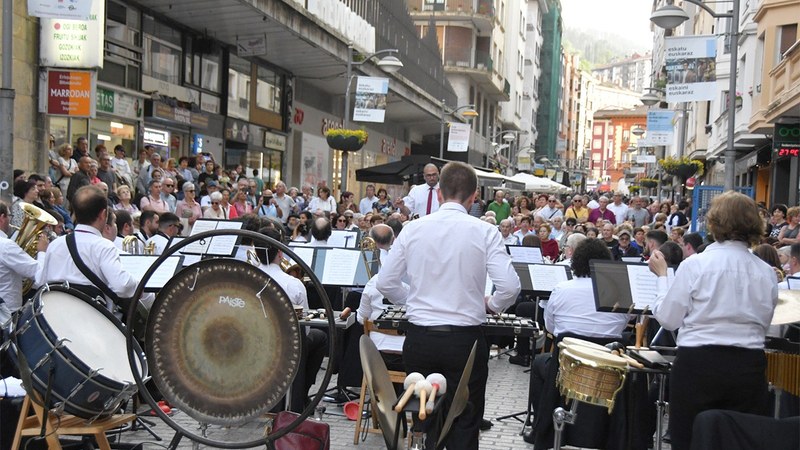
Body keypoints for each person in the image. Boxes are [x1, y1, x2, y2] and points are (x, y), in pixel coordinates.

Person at [377, 161, 521, 449]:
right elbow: (510, 287)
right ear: (474, 196)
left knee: (423, 414)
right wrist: (491, 304)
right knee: (465, 419)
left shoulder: (413, 229)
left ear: (439, 193)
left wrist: (414, 298)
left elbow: (385, 283)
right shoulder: (485, 232)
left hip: (421, 337)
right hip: (464, 341)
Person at [648, 191, 778, 450]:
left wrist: (662, 277)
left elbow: (668, 319)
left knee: (690, 439)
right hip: (747, 365)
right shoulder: (766, 272)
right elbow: (765, 321)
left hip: (699, 363)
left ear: (715, 222)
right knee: (740, 440)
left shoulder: (696, 264)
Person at [37, 186, 139, 311]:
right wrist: (138, 281)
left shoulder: (55, 244)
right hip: (92, 321)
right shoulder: (104, 247)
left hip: (55, 317)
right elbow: (123, 287)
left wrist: (41, 253)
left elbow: (40, 281)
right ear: (103, 214)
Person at [357, 224, 407, 369]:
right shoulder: (417, 284)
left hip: (376, 351)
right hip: (408, 349)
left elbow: (362, 319)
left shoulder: (373, 283)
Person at [0, 201, 48, 311]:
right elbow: (40, 276)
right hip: (6, 313)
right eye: (9, 216)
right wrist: (42, 252)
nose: (10, 220)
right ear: (2, 218)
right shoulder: (6, 246)